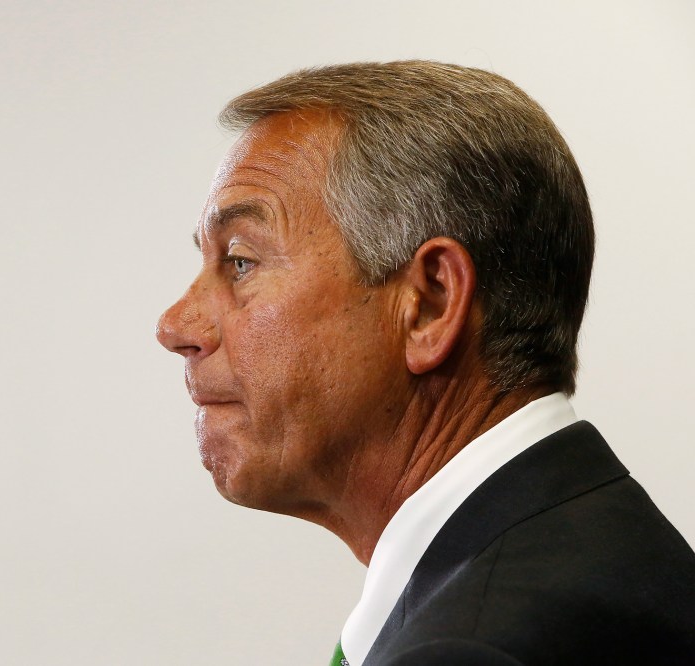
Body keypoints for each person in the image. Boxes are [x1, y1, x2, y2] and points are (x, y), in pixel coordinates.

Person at [155, 61, 695, 665]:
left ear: (430, 305)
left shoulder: (473, 649)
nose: (176, 327)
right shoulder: (594, 553)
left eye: (240, 261)